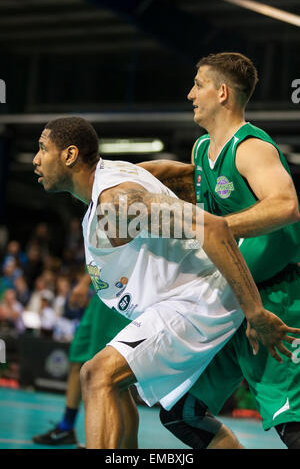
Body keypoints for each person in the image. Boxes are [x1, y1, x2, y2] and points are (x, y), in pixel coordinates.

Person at [32, 116, 300, 449]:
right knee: (155, 404)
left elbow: (213, 228)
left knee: (97, 374)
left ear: (70, 155)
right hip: (181, 301)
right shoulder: (115, 179)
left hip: (197, 302)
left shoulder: (118, 203)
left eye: (43, 149)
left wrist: (255, 313)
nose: (36, 159)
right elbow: (193, 178)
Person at [141, 52, 300, 449]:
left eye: (198, 84)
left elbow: (286, 206)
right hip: (230, 306)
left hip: (276, 304)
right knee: (181, 412)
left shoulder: (250, 147)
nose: (190, 93)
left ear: (222, 92)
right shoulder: (201, 151)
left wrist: (219, 229)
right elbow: (183, 182)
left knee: (293, 427)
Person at [32, 273, 130, 447]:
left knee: (108, 376)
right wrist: (85, 281)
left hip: (121, 291)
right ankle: (66, 426)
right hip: (101, 292)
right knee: (78, 356)